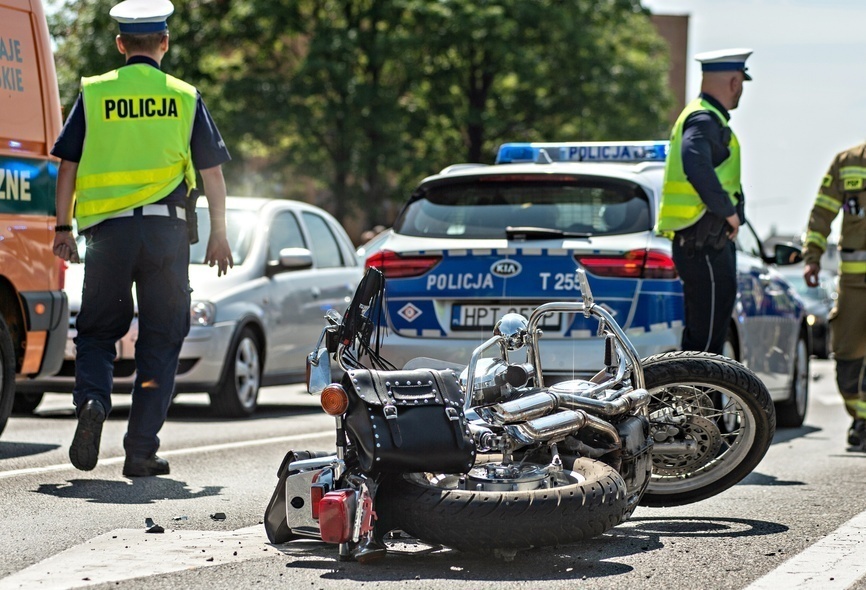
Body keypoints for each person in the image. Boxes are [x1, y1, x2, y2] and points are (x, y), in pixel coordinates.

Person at [51, 0, 234, 477]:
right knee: (161, 338)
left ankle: (93, 401)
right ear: (164, 43)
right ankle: (140, 451)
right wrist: (219, 235)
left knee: (96, 332)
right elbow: (212, 174)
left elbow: (67, 166)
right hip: (166, 235)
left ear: (120, 44)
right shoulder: (184, 96)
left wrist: (62, 228)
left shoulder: (95, 93)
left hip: (108, 237)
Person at [656, 48, 752, 354]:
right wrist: (729, 213)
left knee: (706, 338)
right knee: (706, 344)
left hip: (702, 242)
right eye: (741, 83)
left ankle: (699, 386)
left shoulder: (704, 116)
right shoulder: (703, 118)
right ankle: (699, 388)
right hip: (704, 243)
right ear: (734, 82)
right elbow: (695, 164)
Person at [803, 145, 866, 451]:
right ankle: (859, 417)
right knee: (846, 353)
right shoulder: (847, 162)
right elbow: (822, 211)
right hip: (854, 282)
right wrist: (812, 257)